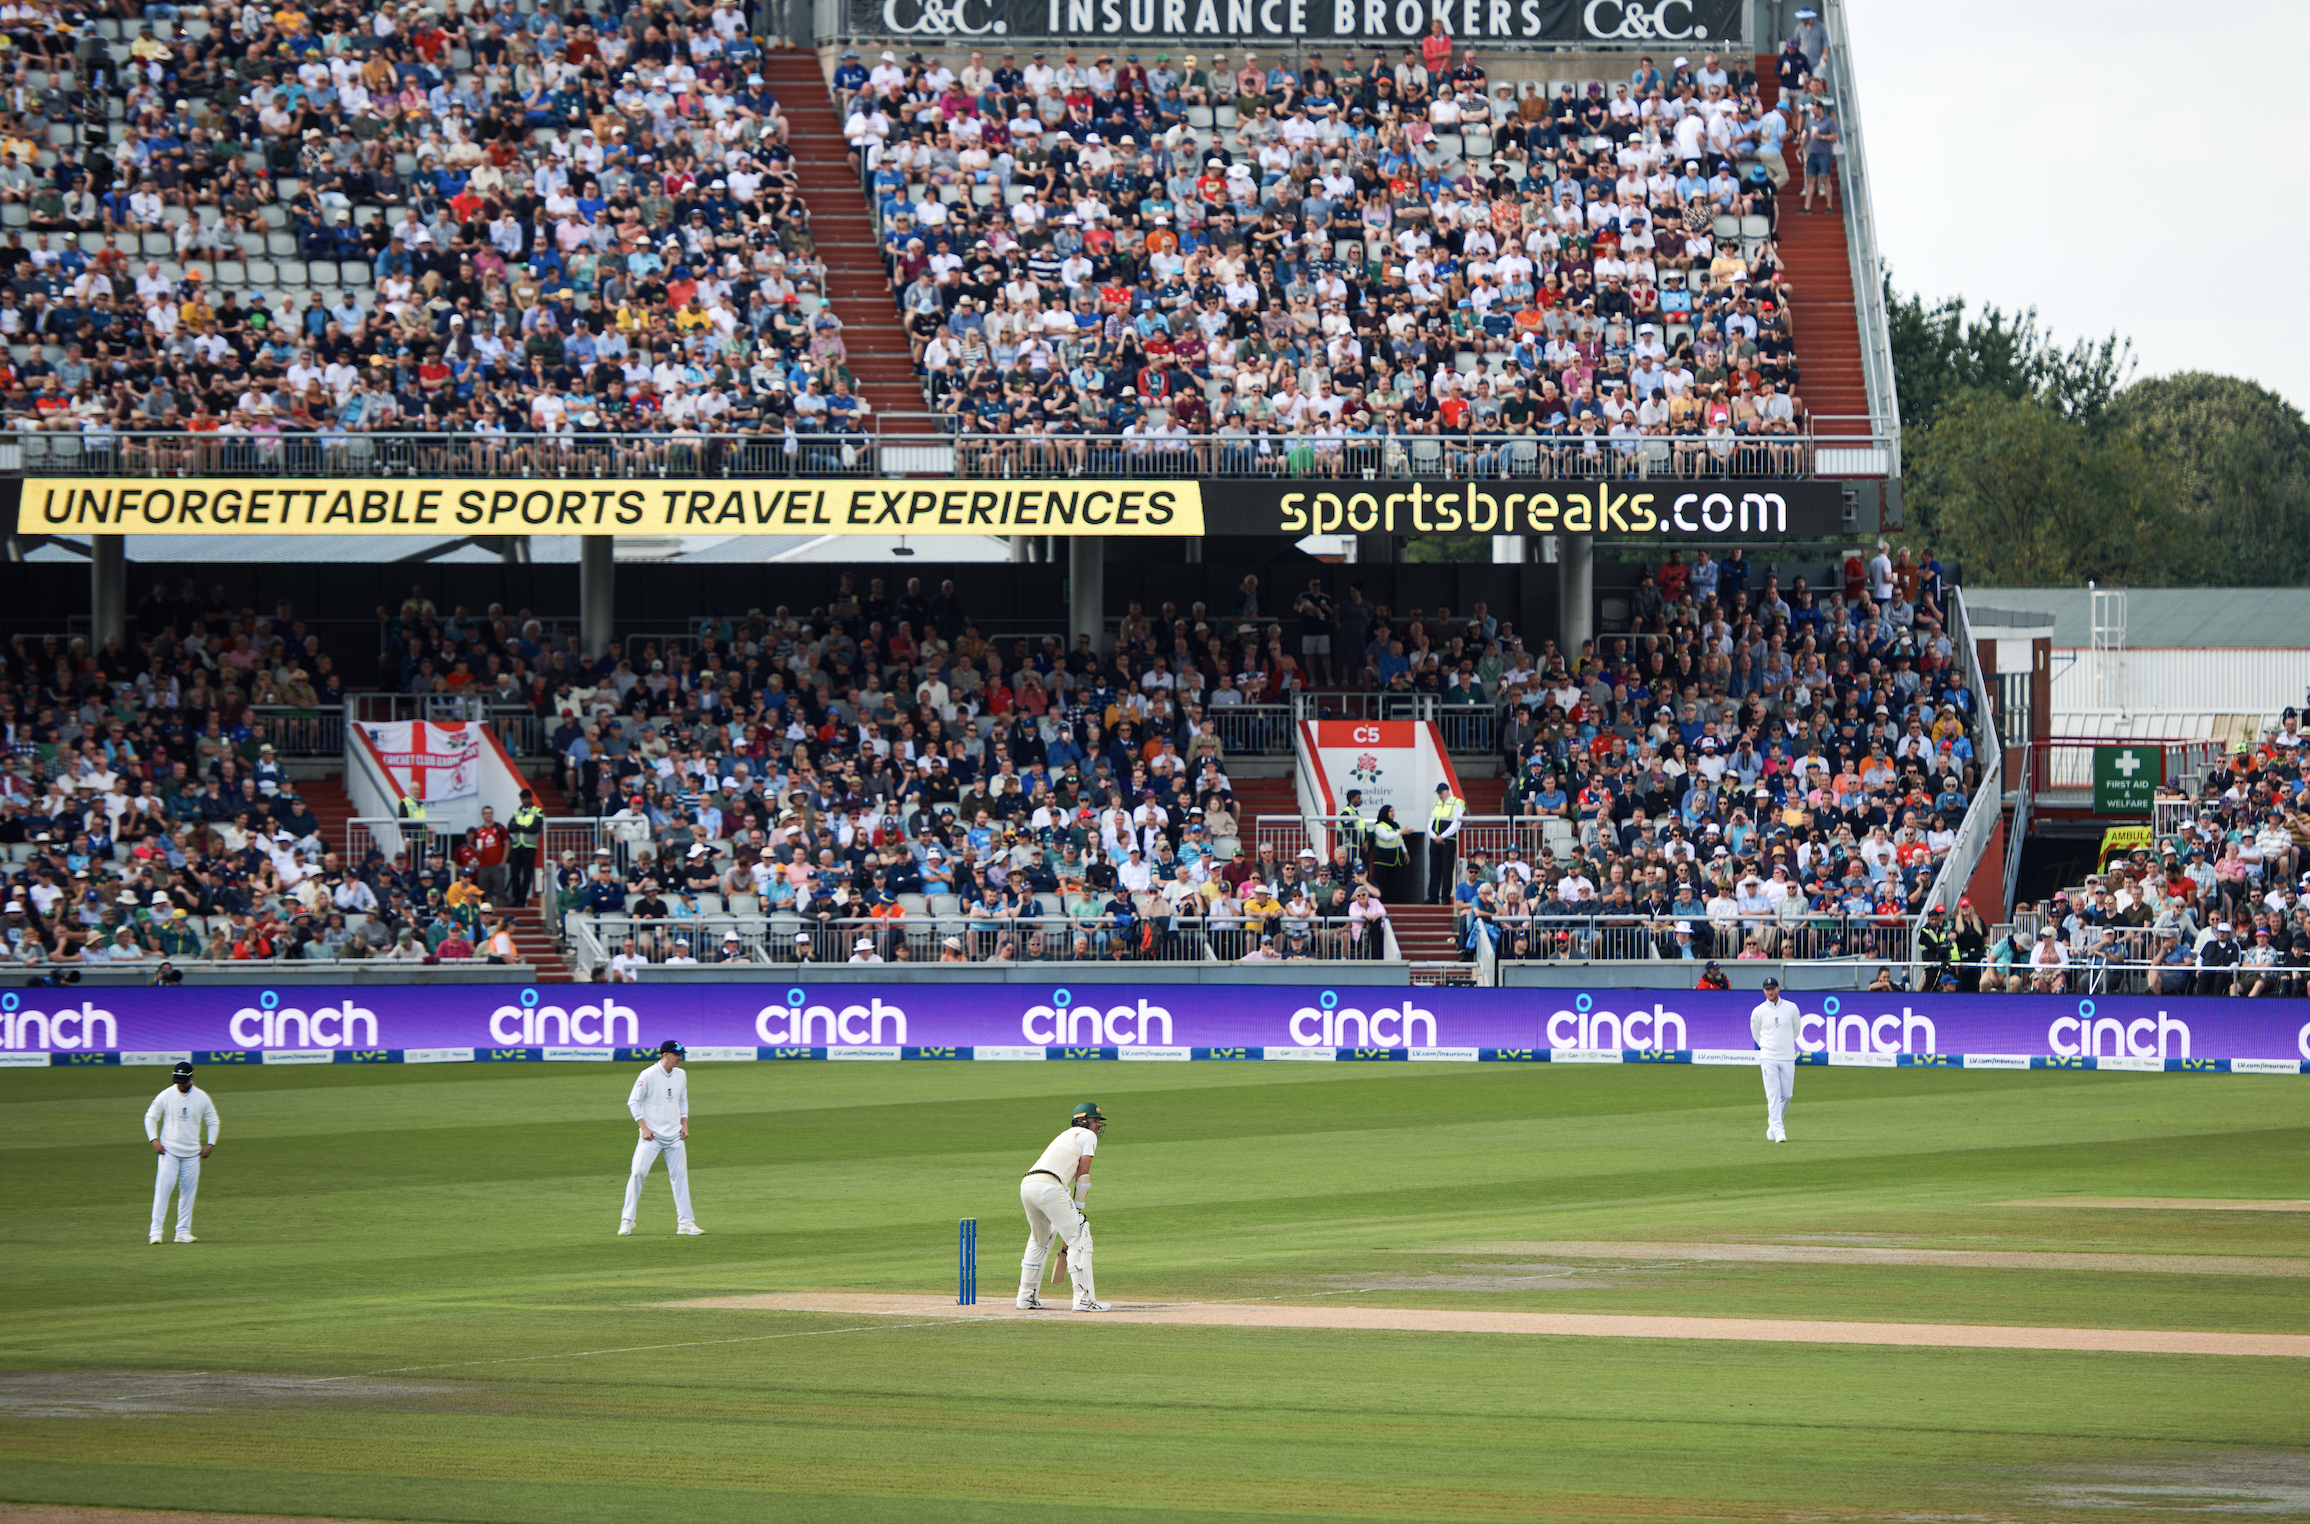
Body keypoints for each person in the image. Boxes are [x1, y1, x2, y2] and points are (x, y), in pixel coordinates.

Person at [1015, 1100, 1109, 1312]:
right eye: (1095, 1121)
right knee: (1078, 1237)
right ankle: (1084, 1300)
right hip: (1050, 1186)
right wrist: (1078, 1206)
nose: (1098, 1125)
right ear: (1082, 1121)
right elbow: (1083, 1173)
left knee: (1039, 1240)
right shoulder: (1087, 1136)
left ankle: (1025, 1297)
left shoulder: (1064, 1135)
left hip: (1028, 1185)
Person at [620, 1040, 704, 1236]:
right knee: (637, 1173)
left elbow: (683, 1100)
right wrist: (643, 1128)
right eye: (676, 1054)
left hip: (675, 1136)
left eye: (681, 1054)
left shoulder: (681, 1075)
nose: (680, 1058)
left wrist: (684, 1125)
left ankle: (685, 1223)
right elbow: (633, 1102)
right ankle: (627, 1220)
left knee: (680, 1178)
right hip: (652, 1136)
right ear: (665, 1054)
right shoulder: (648, 1075)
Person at [144, 1061, 219, 1244]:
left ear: (192, 1078)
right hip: (168, 1152)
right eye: (177, 1080)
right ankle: (156, 1232)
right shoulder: (166, 1095)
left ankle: (183, 1232)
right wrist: (154, 1140)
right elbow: (150, 1117)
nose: (180, 1084)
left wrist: (211, 1144)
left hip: (192, 1153)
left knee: (188, 1193)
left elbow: (213, 1120)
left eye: (184, 1080)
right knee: (163, 1191)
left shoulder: (201, 1097)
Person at [1749, 976, 1797, 1143]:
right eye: (1767, 989)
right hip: (1768, 1056)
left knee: (1787, 1094)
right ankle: (1779, 1131)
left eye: (1772, 988)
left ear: (1778, 989)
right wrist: (1766, 1047)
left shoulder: (1791, 1008)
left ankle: (1773, 1124)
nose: (1770, 992)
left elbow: (1796, 1030)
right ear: (1764, 991)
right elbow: (1755, 1033)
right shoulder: (1758, 1011)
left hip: (1788, 1056)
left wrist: (1785, 1045)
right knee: (1773, 1094)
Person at [1426, 782, 1465, 903]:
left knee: (1447, 869)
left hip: (1448, 839)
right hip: (1436, 839)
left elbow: (1456, 823)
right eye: (1438, 793)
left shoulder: (1457, 803)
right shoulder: (1437, 804)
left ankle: (1445, 896)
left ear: (1447, 791)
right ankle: (1433, 896)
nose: (1440, 795)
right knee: (1434, 868)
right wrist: (1434, 836)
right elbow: (1430, 822)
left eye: (1441, 793)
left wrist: (1442, 836)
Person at [506, 788, 546, 907]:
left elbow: (535, 828)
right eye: (523, 799)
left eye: (527, 798)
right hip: (517, 846)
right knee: (514, 873)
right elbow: (510, 827)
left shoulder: (537, 810)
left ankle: (522, 899)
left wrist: (519, 827)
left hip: (529, 846)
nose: (525, 801)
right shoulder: (516, 812)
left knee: (527, 874)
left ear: (530, 798)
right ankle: (516, 897)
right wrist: (525, 827)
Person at [1369, 805, 1407, 903]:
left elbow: (1400, 840)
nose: (1393, 813)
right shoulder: (1379, 826)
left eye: (1393, 811)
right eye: (1390, 811)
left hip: (1395, 858)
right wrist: (1400, 832)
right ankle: (1376, 902)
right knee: (1379, 881)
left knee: (1393, 882)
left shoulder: (1395, 825)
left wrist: (1405, 852)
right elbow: (1386, 837)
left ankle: (1392, 902)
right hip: (1382, 858)